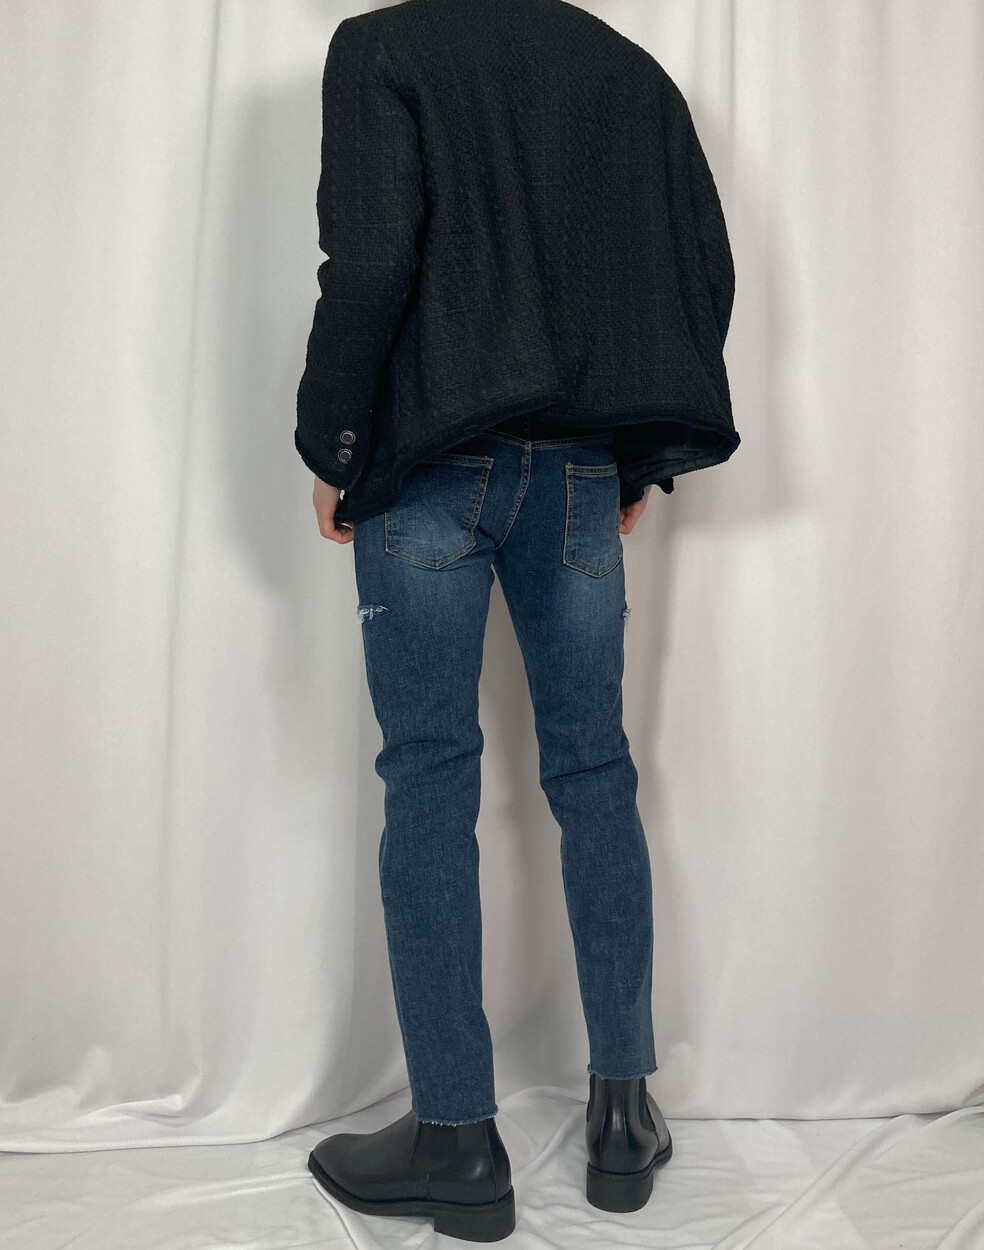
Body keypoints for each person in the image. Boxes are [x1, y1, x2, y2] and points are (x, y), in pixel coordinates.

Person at [296, 0, 739, 1240]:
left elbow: (369, 260)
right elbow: (694, 268)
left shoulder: (383, 46)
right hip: (579, 472)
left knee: (429, 777)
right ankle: (623, 1113)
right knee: (594, 771)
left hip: (430, 462)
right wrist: (635, 452)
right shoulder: (626, 71)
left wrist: (333, 441)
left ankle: (456, 1141)